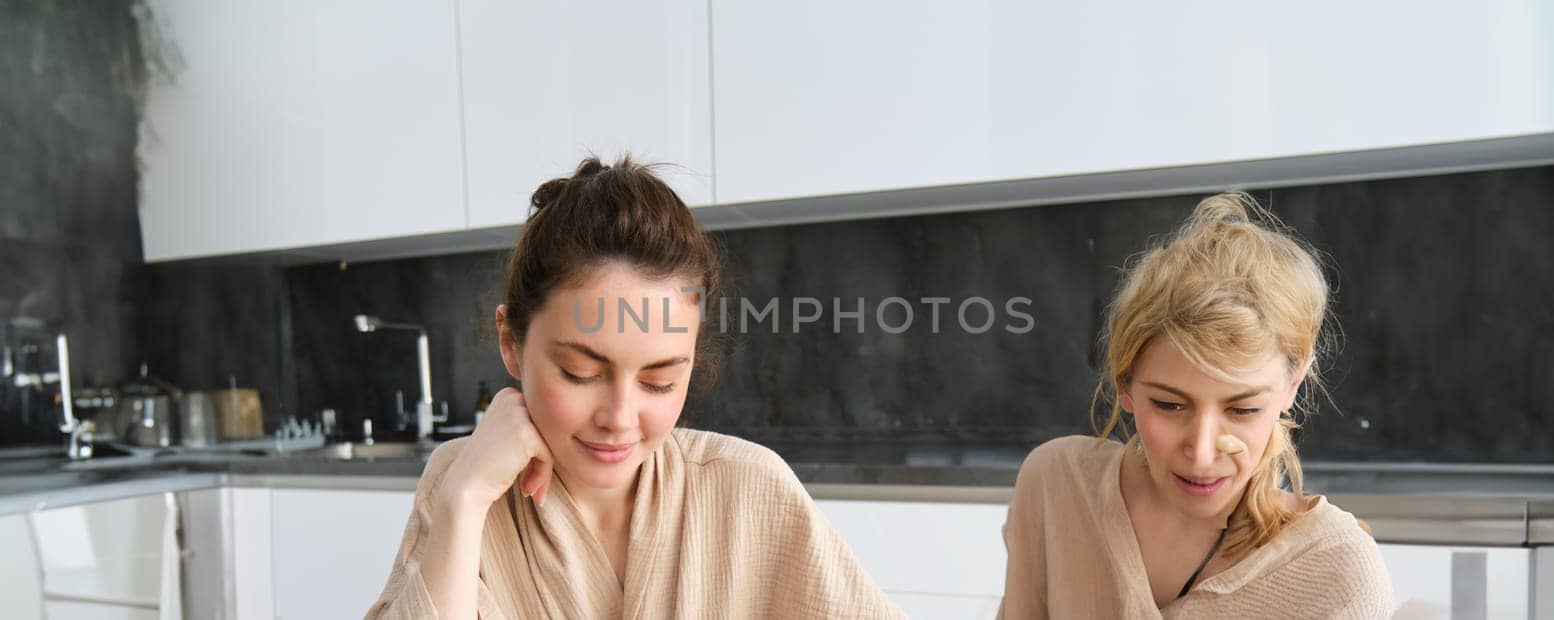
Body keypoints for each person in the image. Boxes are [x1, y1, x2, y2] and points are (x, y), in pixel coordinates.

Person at [367, 157, 901, 619]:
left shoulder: (747, 488)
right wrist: (466, 500)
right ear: (511, 342)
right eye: (581, 374)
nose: (620, 417)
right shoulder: (460, 482)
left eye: (659, 381)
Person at [997, 194, 1395, 618]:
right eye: (1169, 405)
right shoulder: (1057, 484)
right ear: (1124, 383)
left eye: (1242, 410)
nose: (1203, 454)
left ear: (1292, 384)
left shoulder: (1336, 570)